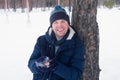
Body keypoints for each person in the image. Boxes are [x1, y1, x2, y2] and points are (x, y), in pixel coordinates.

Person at [28, 5, 85, 80]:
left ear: (68, 23)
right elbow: (31, 63)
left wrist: (56, 67)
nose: (60, 26)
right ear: (51, 25)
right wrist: (37, 66)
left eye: (63, 21)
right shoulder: (41, 40)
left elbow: (75, 74)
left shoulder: (76, 44)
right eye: (55, 22)